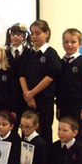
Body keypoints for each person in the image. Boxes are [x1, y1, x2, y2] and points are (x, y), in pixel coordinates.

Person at [19, 20, 61, 152]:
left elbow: (49, 77)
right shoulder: (28, 53)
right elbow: (21, 74)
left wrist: (32, 93)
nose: (34, 36)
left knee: (44, 131)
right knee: (26, 131)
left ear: (46, 33)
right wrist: (27, 94)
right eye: (32, 33)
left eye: (38, 33)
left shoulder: (51, 54)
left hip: (44, 99)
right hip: (28, 100)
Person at [56, 28, 82, 147]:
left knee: (79, 134)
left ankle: (79, 161)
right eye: (66, 42)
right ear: (62, 43)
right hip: (64, 106)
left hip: (78, 106)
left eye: (73, 42)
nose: (69, 45)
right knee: (64, 133)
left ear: (80, 44)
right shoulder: (61, 63)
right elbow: (59, 87)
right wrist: (58, 107)